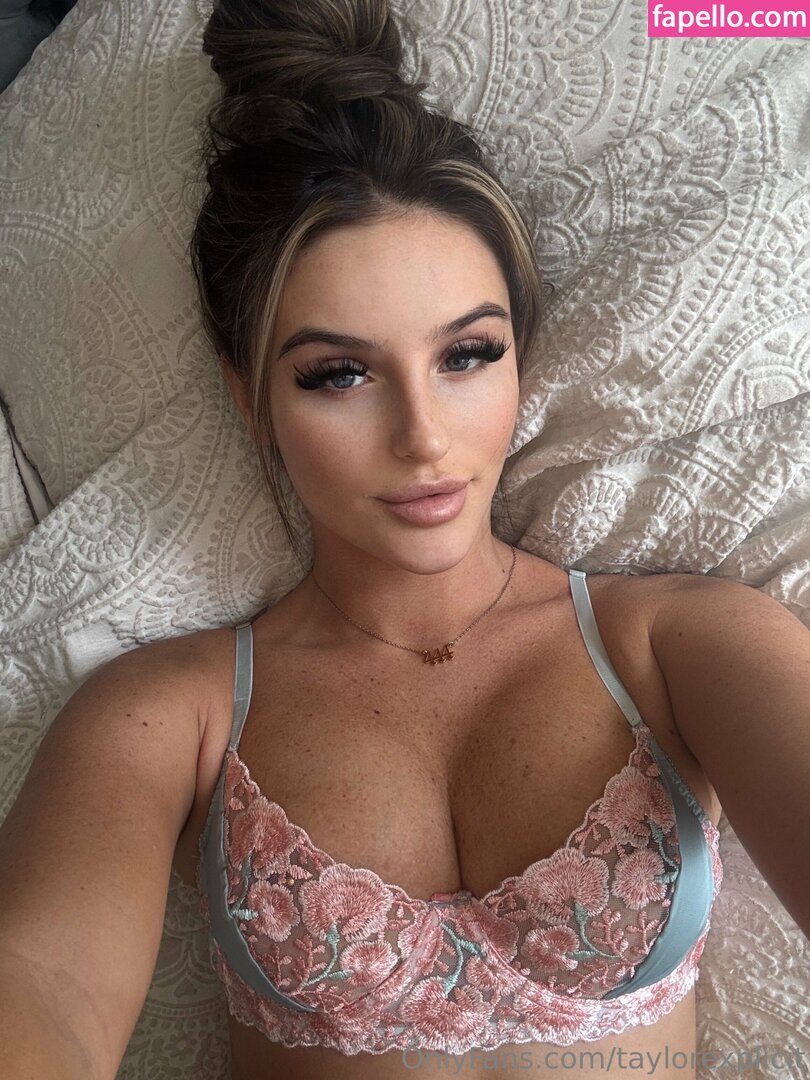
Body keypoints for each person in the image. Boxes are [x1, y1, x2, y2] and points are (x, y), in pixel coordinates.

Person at [1, 1, 808, 1078]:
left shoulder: (680, 647)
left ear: (519, 357)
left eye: (467, 355)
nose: (424, 437)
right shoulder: (166, 716)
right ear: (250, 399)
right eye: (339, 374)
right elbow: (42, 984)